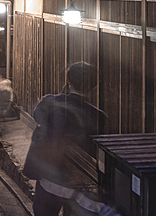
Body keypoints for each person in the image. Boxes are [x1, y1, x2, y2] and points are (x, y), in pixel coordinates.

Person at [23, 62, 106, 216]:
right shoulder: (98, 116)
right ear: (94, 86)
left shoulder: (49, 102)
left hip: (49, 174)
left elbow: (37, 117)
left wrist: (60, 95)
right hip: (78, 181)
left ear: (68, 82)